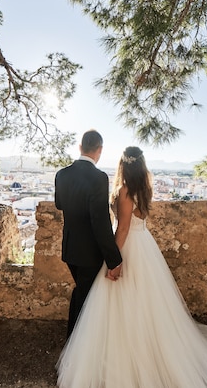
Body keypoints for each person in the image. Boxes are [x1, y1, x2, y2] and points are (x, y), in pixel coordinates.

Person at [57, 146, 207, 387]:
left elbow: (123, 228)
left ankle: (124, 353)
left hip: (129, 246)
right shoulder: (144, 188)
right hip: (144, 244)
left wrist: (114, 261)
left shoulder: (125, 191)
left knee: (121, 300)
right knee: (146, 304)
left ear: (123, 165)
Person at [54, 130, 123, 338]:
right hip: (89, 252)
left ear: (80, 147)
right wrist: (114, 259)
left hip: (70, 248)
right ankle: (77, 345)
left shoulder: (62, 174)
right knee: (86, 297)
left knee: (81, 291)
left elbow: (59, 204)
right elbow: (100, 222)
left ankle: (75, 342)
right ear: (99, 150)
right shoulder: (99, 177)